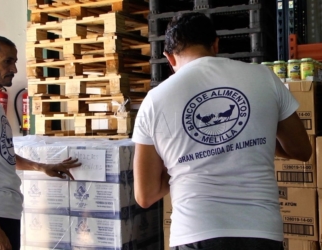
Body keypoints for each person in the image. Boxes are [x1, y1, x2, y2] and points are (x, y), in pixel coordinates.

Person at [132, 12, 312, 250]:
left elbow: (145, 194)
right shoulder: (263, 77)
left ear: (169, 58)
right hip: (260, 231)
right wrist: (252, 139)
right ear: (215, 45)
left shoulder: (154, 100)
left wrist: (187, 161)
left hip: (194, 232)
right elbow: (302, 150)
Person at [0, 34, 81, 250]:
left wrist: (41, 167)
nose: (14, 69)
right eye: (7, 61)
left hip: (5, 211)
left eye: (14, 61)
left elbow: (1, 155)